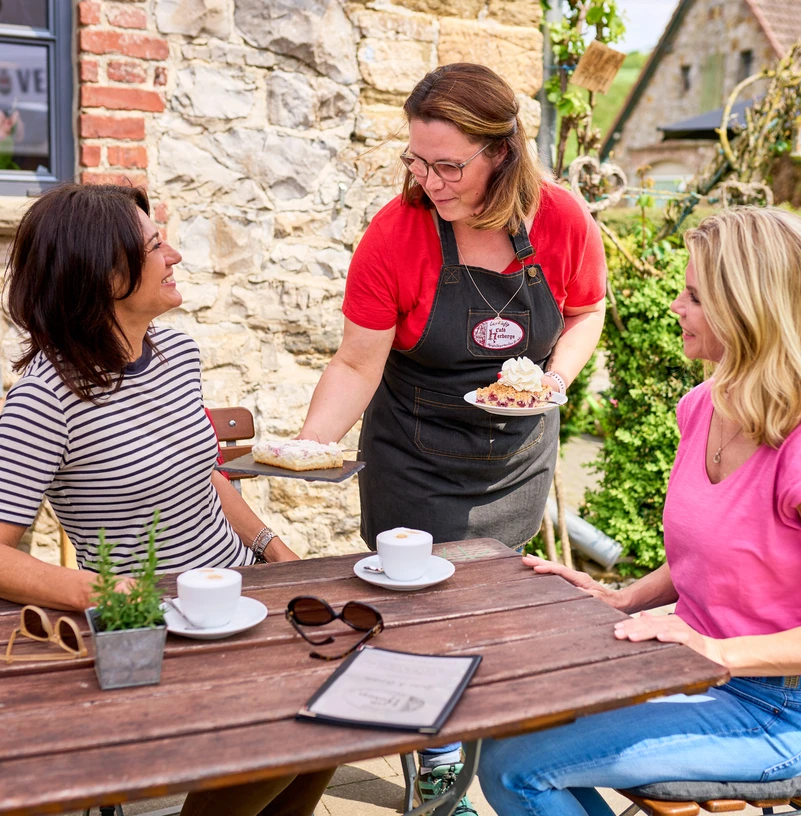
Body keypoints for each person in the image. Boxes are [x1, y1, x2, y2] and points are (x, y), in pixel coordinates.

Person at [476, 207, 801, 816]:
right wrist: (620, 598)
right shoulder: (703, 407)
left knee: (516, 770)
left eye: (695, 295)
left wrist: (716, 650)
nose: (676, 305)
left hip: (767, 711)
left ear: (751, 310)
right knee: (506, 719)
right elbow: (717, 553)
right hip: (688, 672)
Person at [0, 183, 332, 816]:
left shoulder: (178, 354)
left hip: (237, 597)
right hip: (163, 627)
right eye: (156, 245)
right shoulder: (47, 399)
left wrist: (274, 548)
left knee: (333, 721)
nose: (176, 255)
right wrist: (102, 592)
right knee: (290, 739)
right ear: (106, 275)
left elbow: (204, 475)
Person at [296, 63, 607, 811]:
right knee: (419, 618)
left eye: (448, 165)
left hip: (513, 460)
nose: (429, 180)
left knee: (490, 616)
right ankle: (437, 767)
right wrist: (311, 444)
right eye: (417, 160)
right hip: (415, 455)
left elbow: (588, 309)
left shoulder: (561, 219)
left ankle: (486, 742)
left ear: (500, 153)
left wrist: (552, 380)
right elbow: (355, 362)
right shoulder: (396, 234)